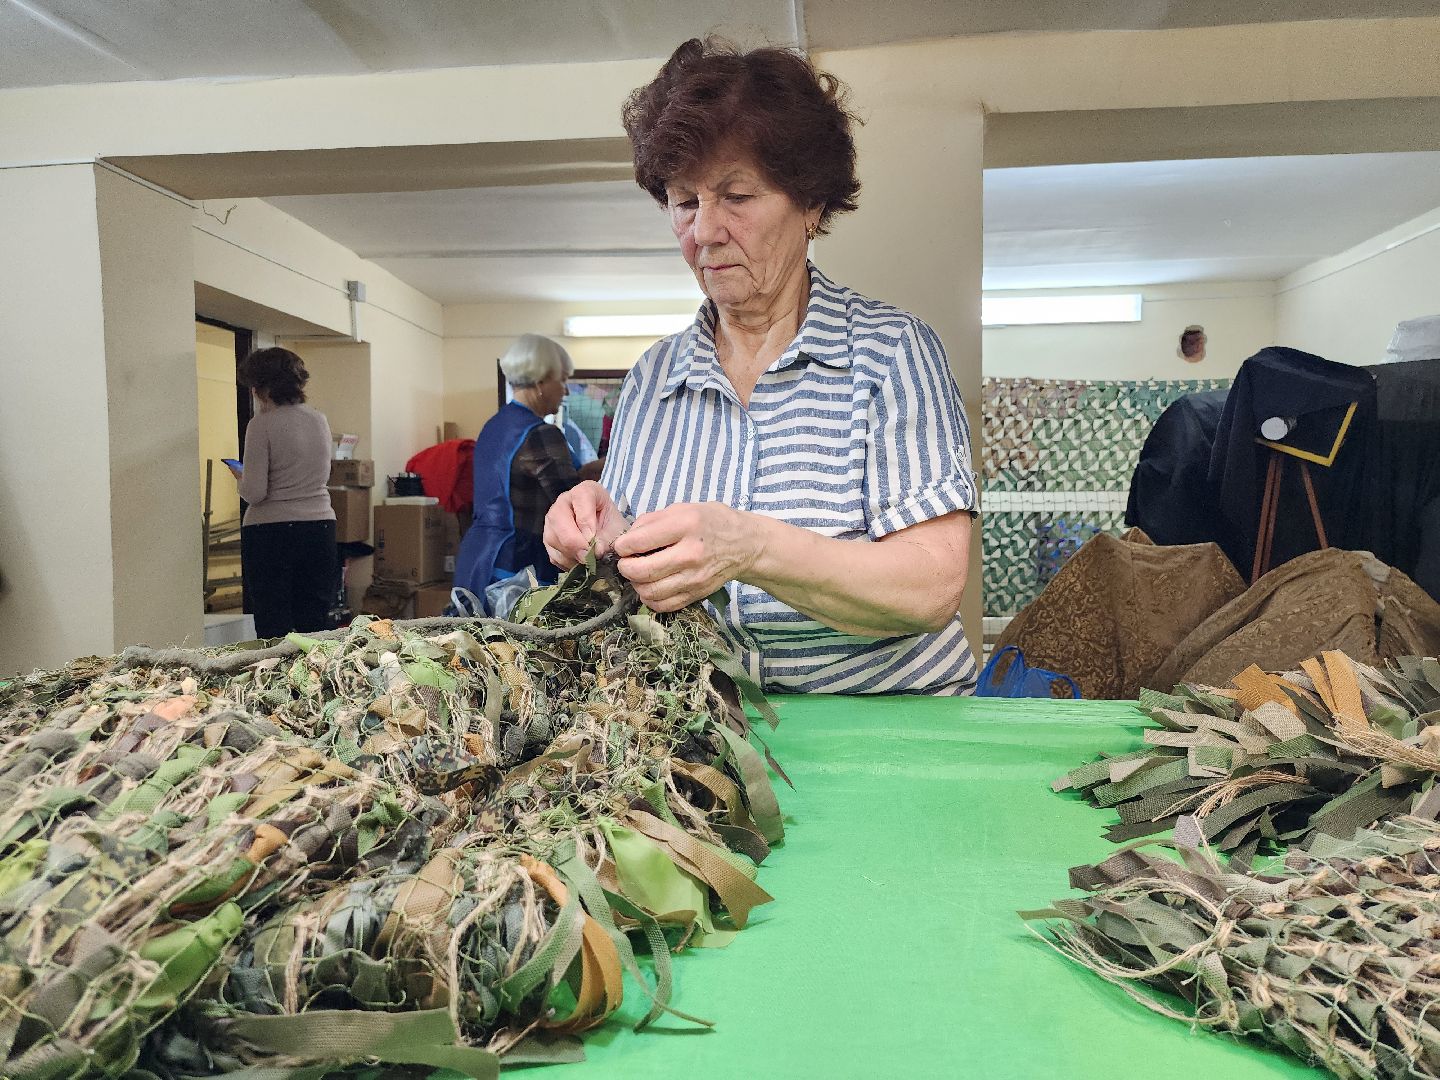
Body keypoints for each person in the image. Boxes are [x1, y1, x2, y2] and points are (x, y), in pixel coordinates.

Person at [544, 38, 979, 695]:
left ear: (810, 205)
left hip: (887, 720)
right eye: (684, 202)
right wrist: (597, 533)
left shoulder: (891, 352)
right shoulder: (653, 377)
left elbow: (930, 587)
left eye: (737, 196)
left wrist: (750, 547)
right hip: (710, 723)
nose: (704, 231)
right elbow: (643, 570)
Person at [454, 334, 586, 609]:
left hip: (477, 557)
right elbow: (572, 498)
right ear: (540, 382)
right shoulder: (541, 434)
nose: (565, 391)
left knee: (475, 631)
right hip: (516, 565)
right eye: (562, 380)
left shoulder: (495, 425)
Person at [231, 347, 336, 639]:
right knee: (315, 623)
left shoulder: (261, 425)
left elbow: (255, 492)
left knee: (273, 626)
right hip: (320, 527)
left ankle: (277, 670)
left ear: (261, 387)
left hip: (271, 532)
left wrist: (240, 478)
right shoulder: (319, 419)